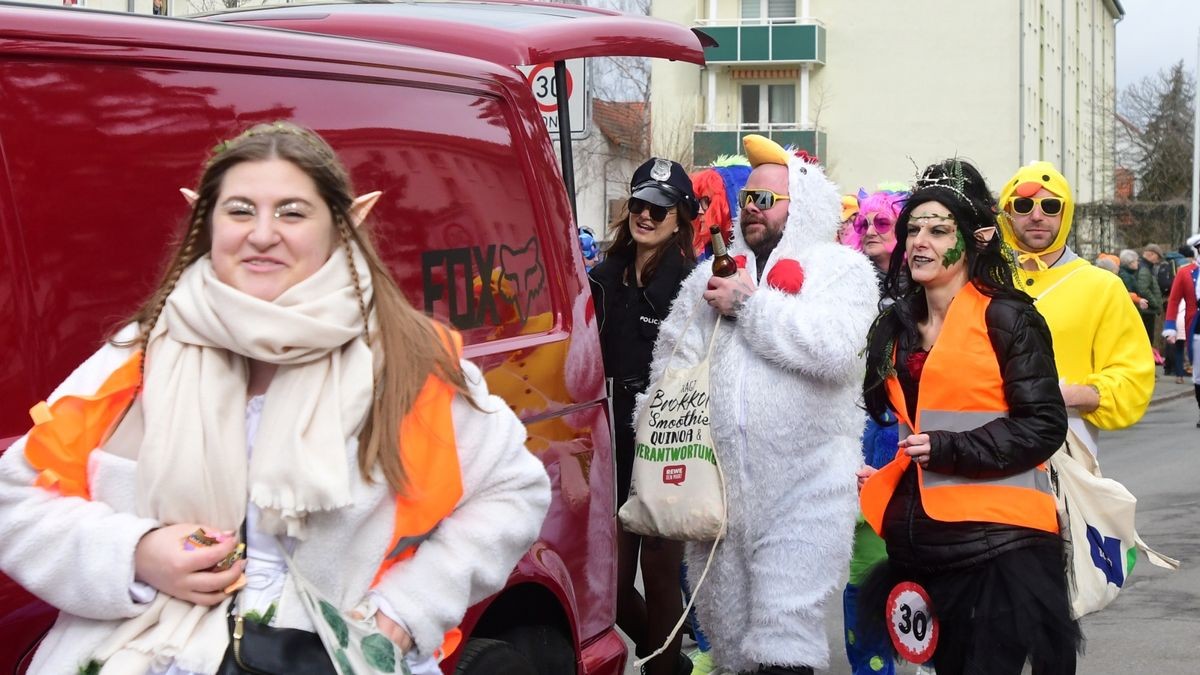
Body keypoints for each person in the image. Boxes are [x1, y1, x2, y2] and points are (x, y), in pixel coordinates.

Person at [0, 122, 551, 674]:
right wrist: (135, 554)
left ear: (341, 227)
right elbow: (15, 503)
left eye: (292, 212)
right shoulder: (138, 357)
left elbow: (513, 491)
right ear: (207, 221)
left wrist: (407, 611)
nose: (263, 234)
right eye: (240, 210)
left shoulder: (410, 361)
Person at [644, 134, 877, 675]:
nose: (752, 207)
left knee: (784, 639)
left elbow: (836, 351)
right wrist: (661, 454)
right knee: (731, 647)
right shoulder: (708, 276)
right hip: (719, 497)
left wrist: (750, 305)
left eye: (766, 199)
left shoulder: (841, 271)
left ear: (803, 207)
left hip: (807, 488)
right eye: (747, 197)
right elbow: (670, 369)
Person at [858, 159, 1078, 675]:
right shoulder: (894, 326)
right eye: (913, 229)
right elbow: (913, 422)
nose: (920, 241)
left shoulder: (1007, 316)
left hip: (1002, 546)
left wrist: (946, 448)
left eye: (939, 230)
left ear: (973, 240)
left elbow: (1043, 425)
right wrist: (892, 475)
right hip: (925, 544)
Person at [589, 157, 699, 675]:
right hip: (609, 432)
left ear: (680, 218)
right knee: (607, 587)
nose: (646, 216)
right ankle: (670, 664)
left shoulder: (693, 284)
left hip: (666, 432)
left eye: (659, 208)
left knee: (659, 574)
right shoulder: (602, 277)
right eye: (638, 205)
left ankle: (661, 669)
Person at [997, 161, 1154, 457]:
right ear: (1007, 212)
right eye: (1022, 205)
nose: (1036, 216)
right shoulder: (984, 279)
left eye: (1051, 206)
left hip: (1064, 449)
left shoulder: (1101, 287)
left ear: (1065, 212)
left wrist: (1068, 395)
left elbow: (1133, 377)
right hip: (981, 448)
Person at [840, 186, 910, 675]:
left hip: (914, 446)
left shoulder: (929, 293)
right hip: (861, 443)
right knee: (864, 577)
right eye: (863, 223)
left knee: (921, 579)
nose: (869, 231)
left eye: (881, 224)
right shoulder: (847, 289)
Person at [1164, 234, 1200, 423]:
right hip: (1196, 328)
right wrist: (1170, 326)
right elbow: (1174, 300)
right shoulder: (1186, 272)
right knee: (1198, 374)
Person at [1137, 244, 1166, 343]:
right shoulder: (1144, 269)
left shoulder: (1145, 267)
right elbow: (1143, 289)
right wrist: (1156, 303)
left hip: (1147, 310)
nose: (1157, 261)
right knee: (1148, 340)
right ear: (1151, 254)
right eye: (1157, 257)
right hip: (1147, 311)